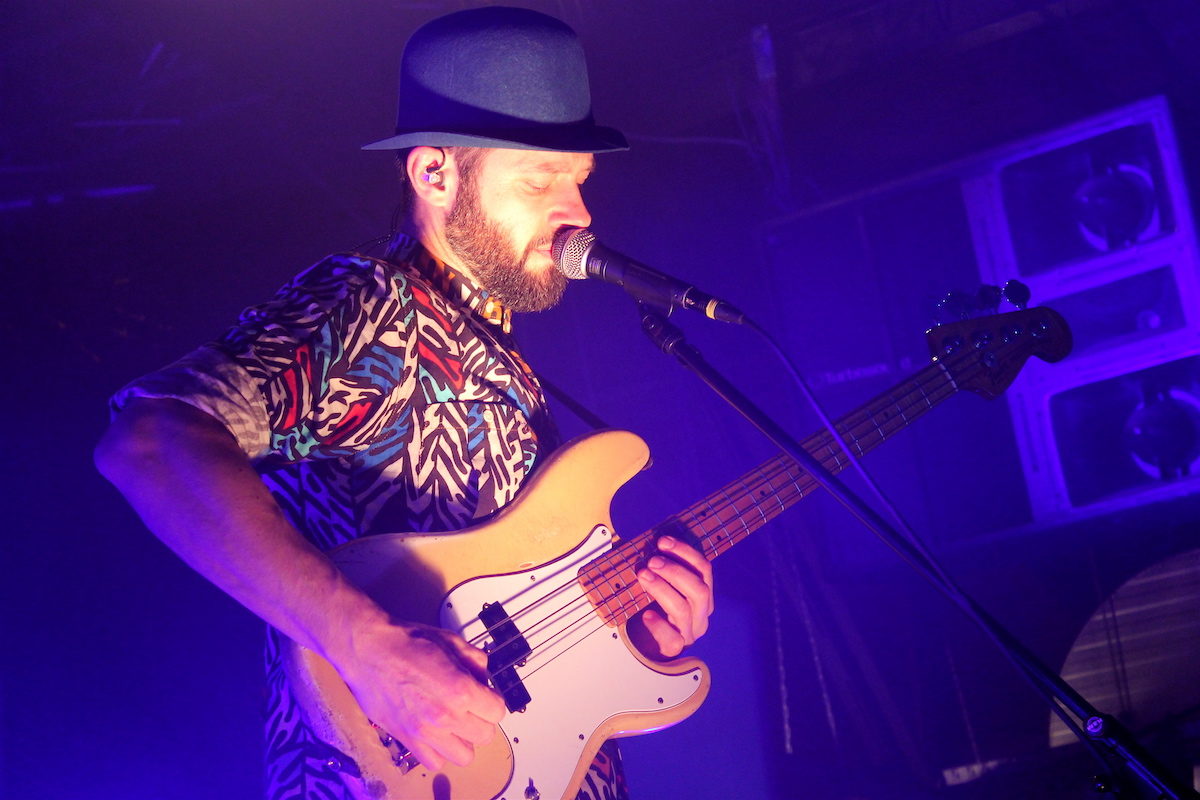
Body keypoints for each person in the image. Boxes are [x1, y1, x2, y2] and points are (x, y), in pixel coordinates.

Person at [94, 7, 715, 800]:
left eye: (580, 179)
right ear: (434, 175)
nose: (579, 212)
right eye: (540, 180)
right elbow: (150, 441)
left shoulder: (507, 365)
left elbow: (512, 646)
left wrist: (631, 631)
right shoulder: (373, 305)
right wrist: (367, 647)